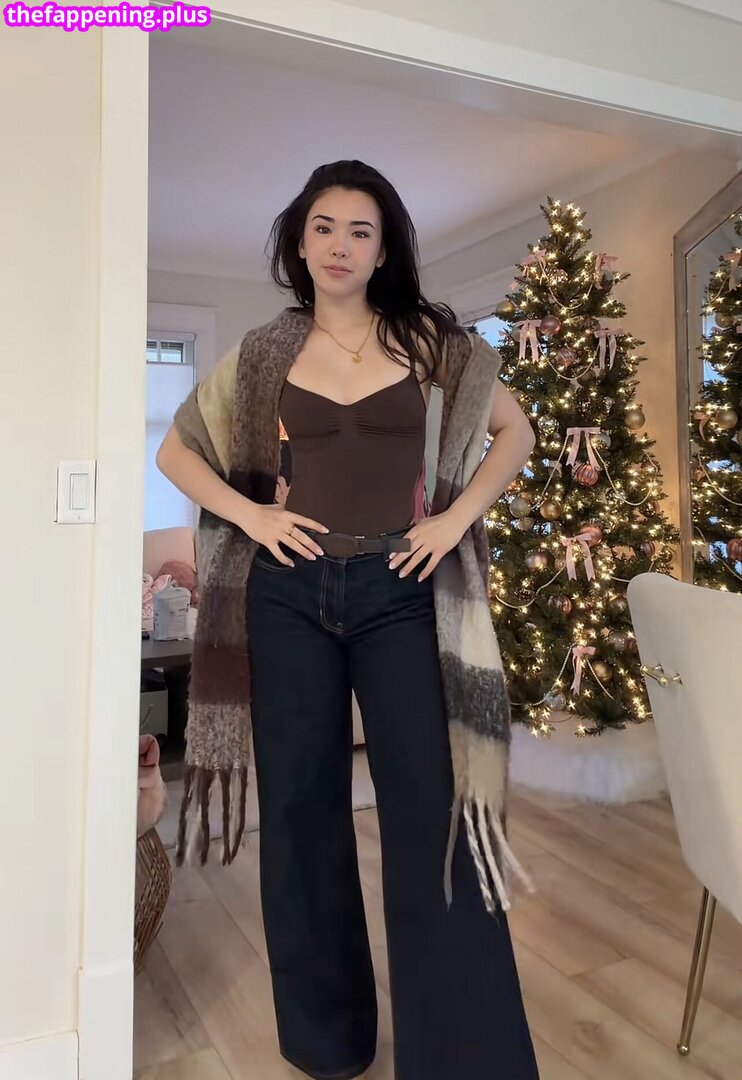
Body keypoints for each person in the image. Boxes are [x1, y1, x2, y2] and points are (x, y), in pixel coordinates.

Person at [157, 160, 539, 1080]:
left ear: (382, 249)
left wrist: (453, 519)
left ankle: (465, 1058)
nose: (340, 245)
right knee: (300, 816)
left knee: (434, 814)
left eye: (360, 231)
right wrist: (252, 517)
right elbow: (178, 450)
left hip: (402, 590)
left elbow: (516, 433)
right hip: (287, 596)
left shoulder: (430, 341)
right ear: (300, 242)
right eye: (324, 227)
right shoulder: (264, 353)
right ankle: (328, 1047)